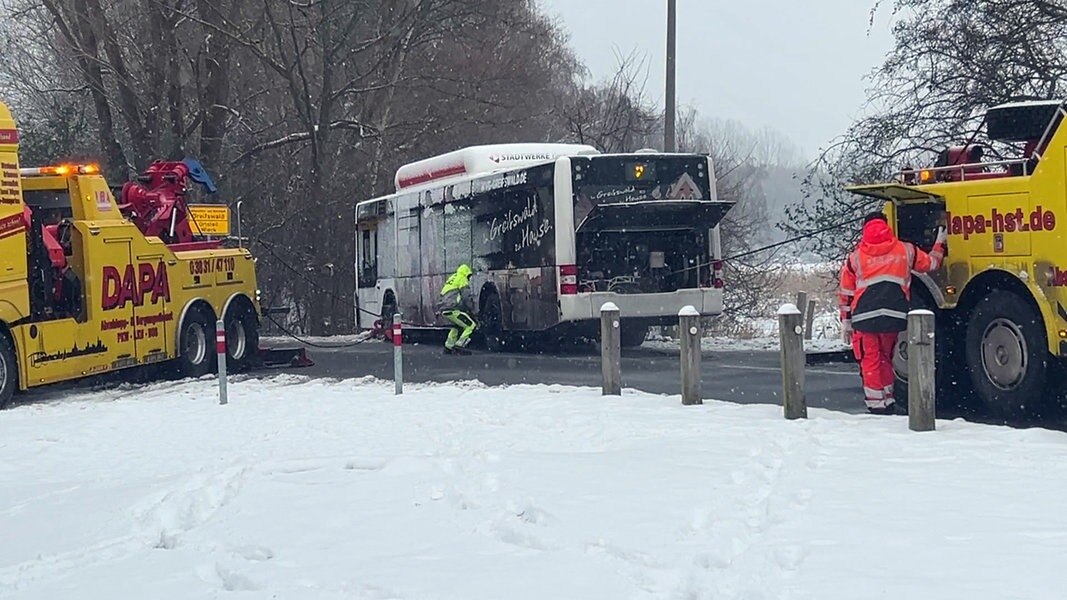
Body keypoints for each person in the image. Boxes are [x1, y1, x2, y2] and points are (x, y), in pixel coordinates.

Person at [839, 212, 947, 414]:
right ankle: (887, 399)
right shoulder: (905, 250)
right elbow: (931, 264)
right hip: (894, 316)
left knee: (870, 359)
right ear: (887, 226)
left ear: (865, 228)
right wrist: (939, 242)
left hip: (864, 318)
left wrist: (846, 321)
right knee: (885, 358)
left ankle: (876, 405)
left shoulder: (855, 258)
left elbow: (846, 293)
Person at [438, 263, 477, 355]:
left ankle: (448, 346)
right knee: (471, 325)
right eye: (469, 276)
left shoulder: (452, 278)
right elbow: (466, 296)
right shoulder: (462, 279)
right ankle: (459, 346)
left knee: (457, 326)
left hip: (444, 309)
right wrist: (472, 310)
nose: (469, 278)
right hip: (453, 308)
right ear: (466, 273)